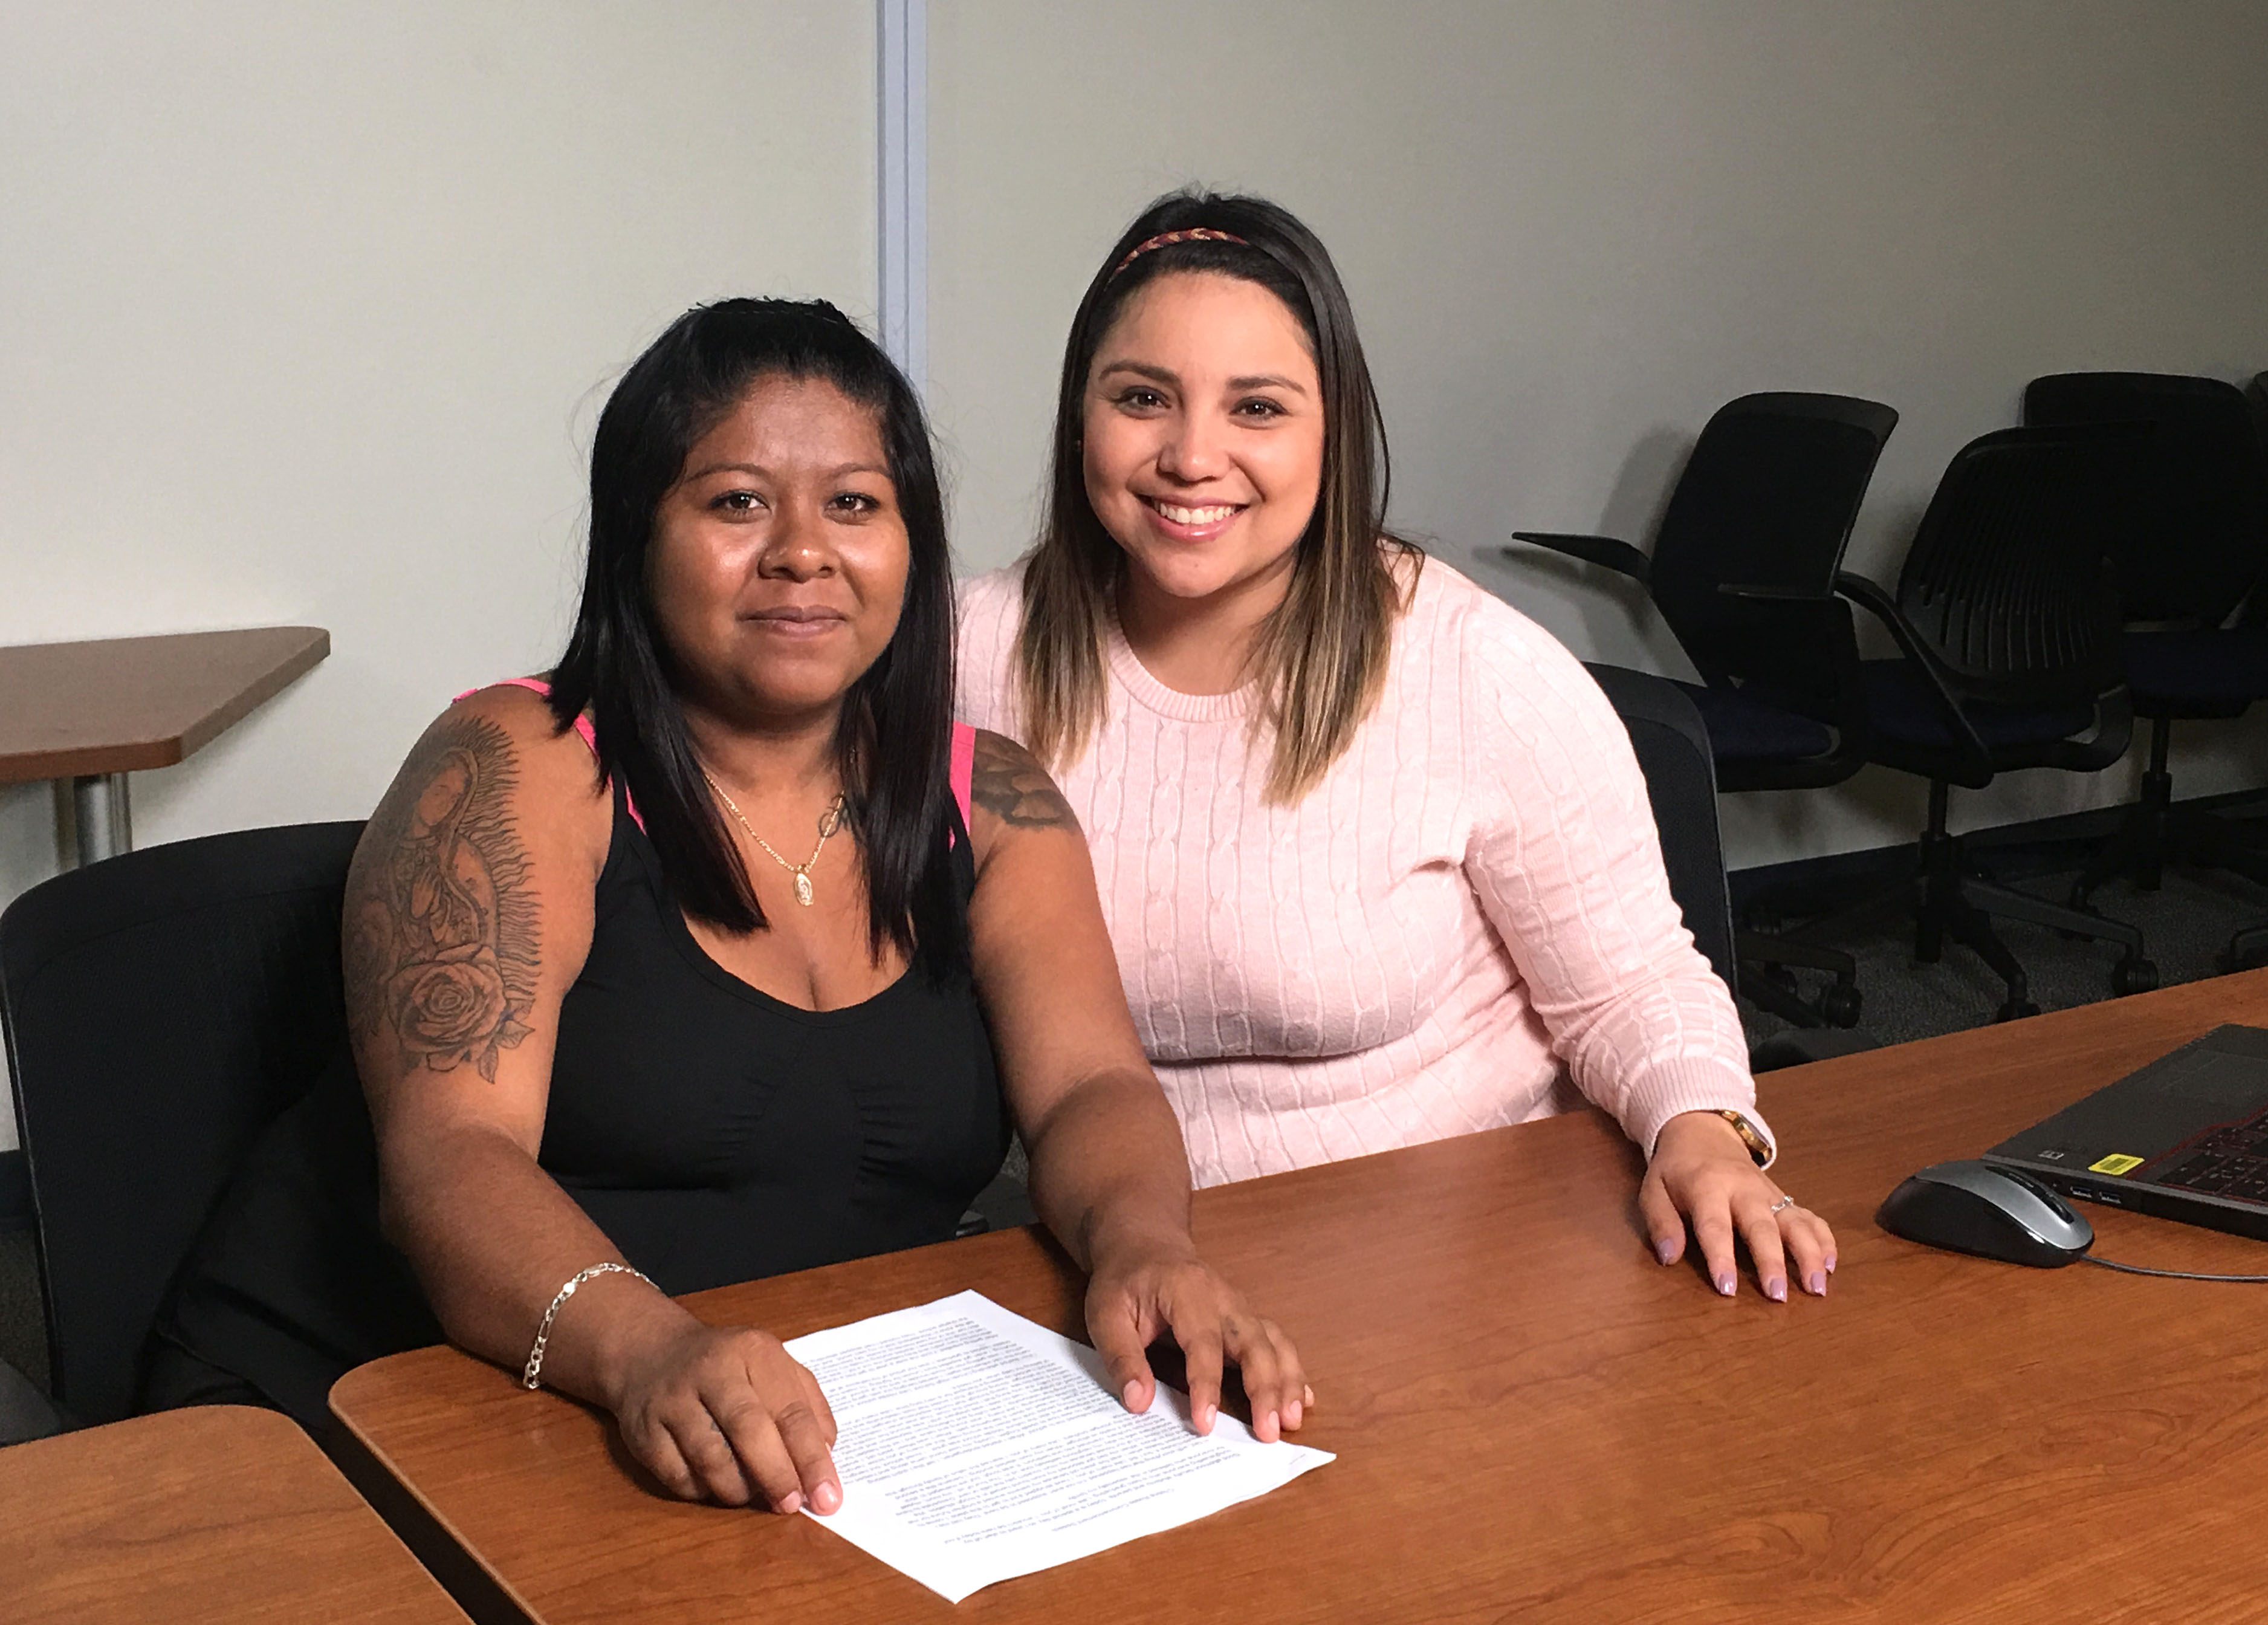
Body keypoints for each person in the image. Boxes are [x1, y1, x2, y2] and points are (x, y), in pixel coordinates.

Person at [146, 298, 1308, 1513]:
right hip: (358, 1412)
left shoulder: (994, 800)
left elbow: (1090, 1089)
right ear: (638, 535)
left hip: (773, 1421)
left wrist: (1144, 1248)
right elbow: (449, 1156)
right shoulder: (515, 767)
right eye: (737, 501)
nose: (802, 551)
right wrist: (646, 1346)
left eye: (854, 504)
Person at [956, 193, 1838, 1303]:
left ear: (1334, 432)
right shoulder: (968, 655)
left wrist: (1702, 1138)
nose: (1192, 456)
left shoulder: (1470, 667)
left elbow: (1631, 986)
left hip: (1470, 1254)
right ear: (1079, 417)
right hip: (1123, 1256)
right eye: (1142, 399)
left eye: (1258, 408)